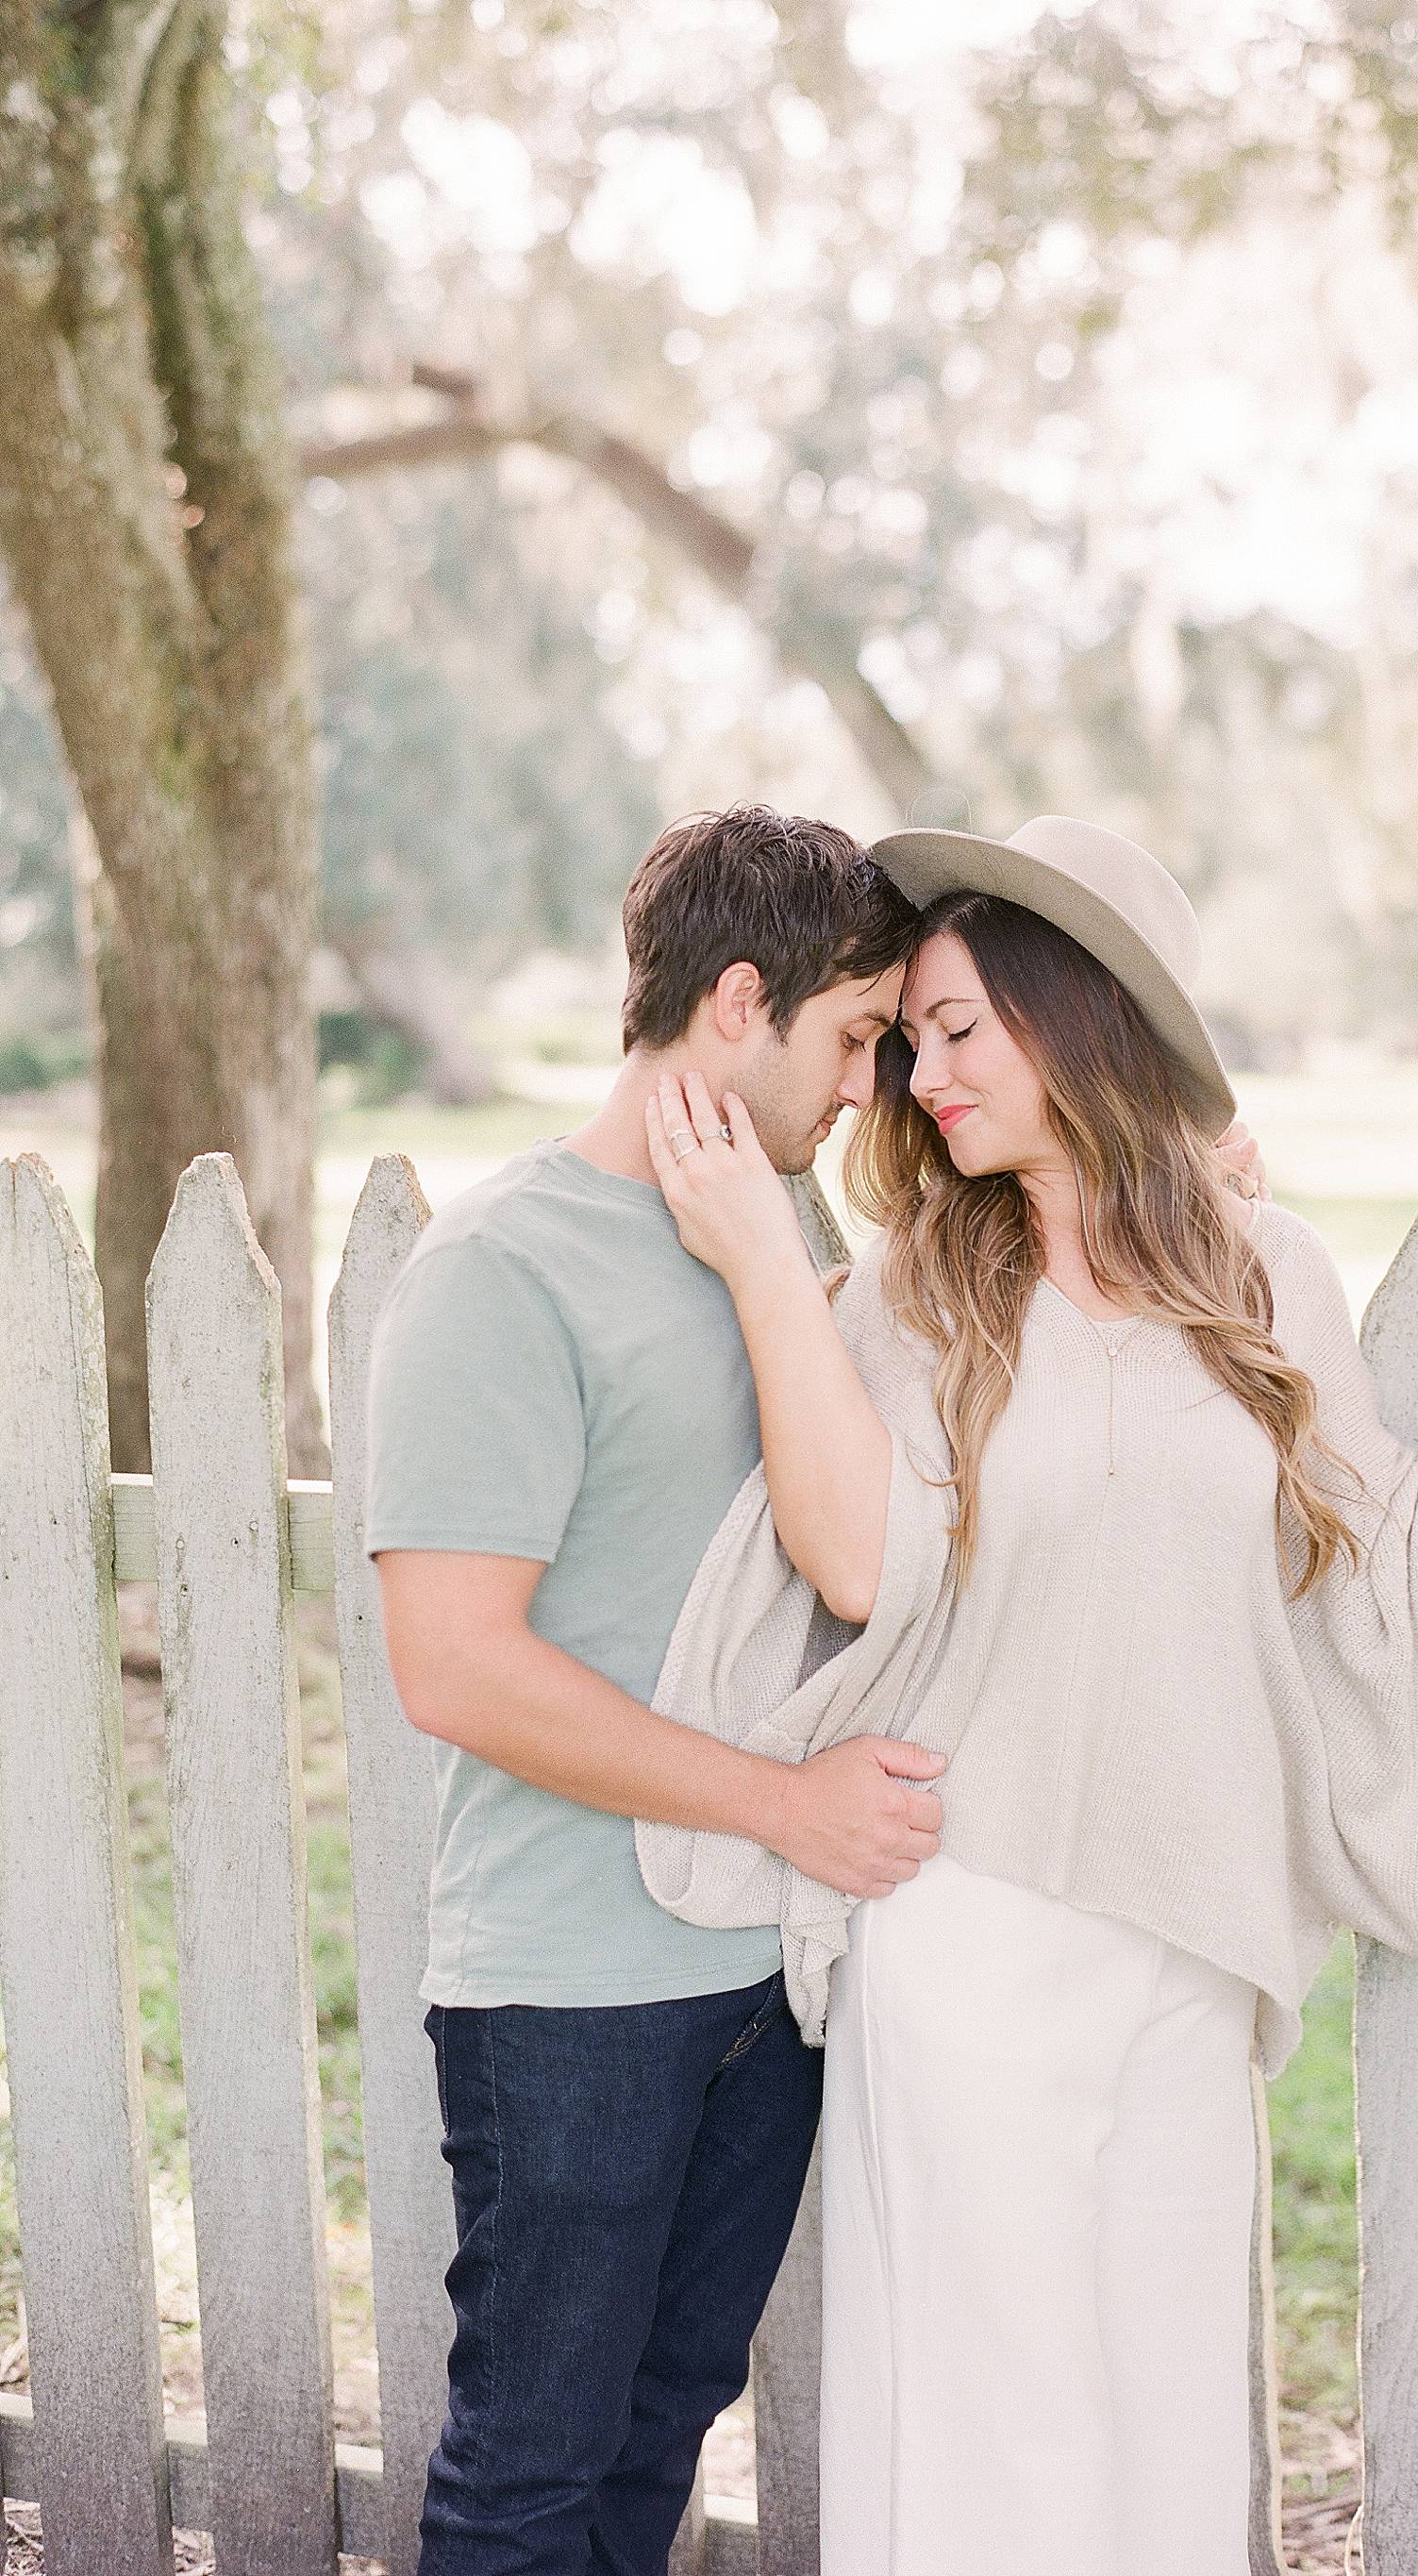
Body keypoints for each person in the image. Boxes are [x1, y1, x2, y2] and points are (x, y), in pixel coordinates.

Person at [631, 813, 1418, 2576]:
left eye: (960, 1025)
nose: (918, 1066)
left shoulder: (1257, 1270)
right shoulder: (923, 1285)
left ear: (1084, 1017)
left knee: (1176, 2427)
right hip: (972, 1921)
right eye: (906, 1036)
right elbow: (850, 1558)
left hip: (1194, 1946)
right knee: (1006, 2438)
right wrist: (769, 1264)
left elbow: (1392, 1571)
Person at [364, 806, 948, 2576]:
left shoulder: (774, 1252)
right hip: (572, 2002)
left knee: (650, 2452)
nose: (869, 1087)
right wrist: (786, 1803)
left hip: (763, 1982)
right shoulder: (498, 1270)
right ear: (740, 1000)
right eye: (855, 1039)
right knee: (530, 2475)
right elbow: (452, 1666)